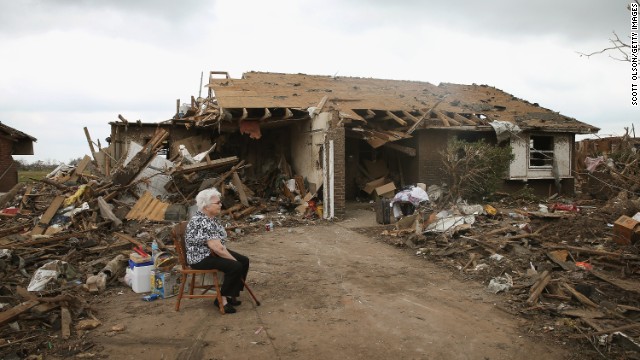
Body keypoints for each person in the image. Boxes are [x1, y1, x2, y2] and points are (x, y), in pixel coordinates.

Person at [185, 188, 250, 314]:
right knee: (236, 266)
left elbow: (218, 245)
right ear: (206, 206)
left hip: (210, 252)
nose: (221, 205)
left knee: (244, 261)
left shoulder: (210, 218)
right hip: (200, 258)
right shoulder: (203, 221)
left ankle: (231, 294)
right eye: (218, 203)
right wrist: (232, 259)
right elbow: (217, 248)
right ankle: (221, 299)